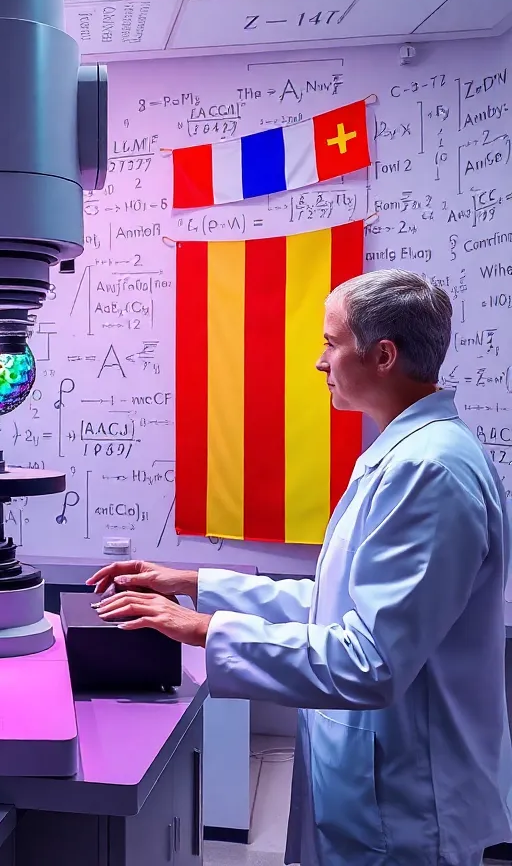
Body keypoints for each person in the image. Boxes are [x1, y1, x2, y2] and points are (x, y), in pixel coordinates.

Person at [88, 268, 512, 866]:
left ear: (383, 355)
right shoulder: (406, 453)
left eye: (331, 343)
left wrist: (203, 630)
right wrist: (193, 584)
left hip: (406, 805)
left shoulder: (429, 472)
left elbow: (370, 662)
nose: (320, 361)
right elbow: (336, 604)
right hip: (373, 787)